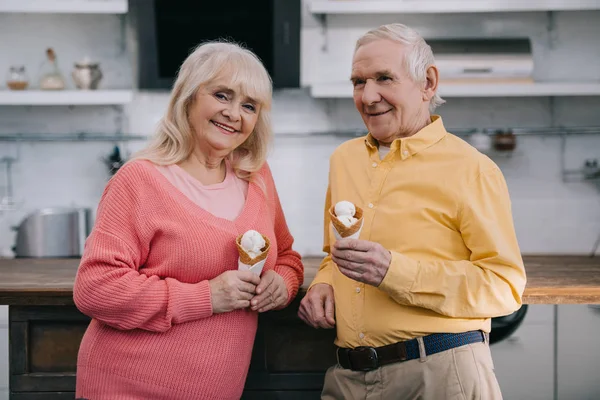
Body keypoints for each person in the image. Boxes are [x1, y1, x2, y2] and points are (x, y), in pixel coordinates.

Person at [299, 23, 526, 400]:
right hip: (348, 378)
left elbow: (503, 287)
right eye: (358, 82)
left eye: (384, 78)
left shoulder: (471, 169)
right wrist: (324, 282)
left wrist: (395, 271)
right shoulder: (344, 160)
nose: (368, 96)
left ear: (428, 82)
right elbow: (334, 255)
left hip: (440, 375)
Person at [73, 41, 304, 399]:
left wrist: (282, 284)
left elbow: (287, 256)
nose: (233, 113)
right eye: (222, 95)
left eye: (249, 106)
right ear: (189, 96)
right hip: (126, 386)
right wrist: (206, 296)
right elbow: (96, 287)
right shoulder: (140, 179)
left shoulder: (255, 176)